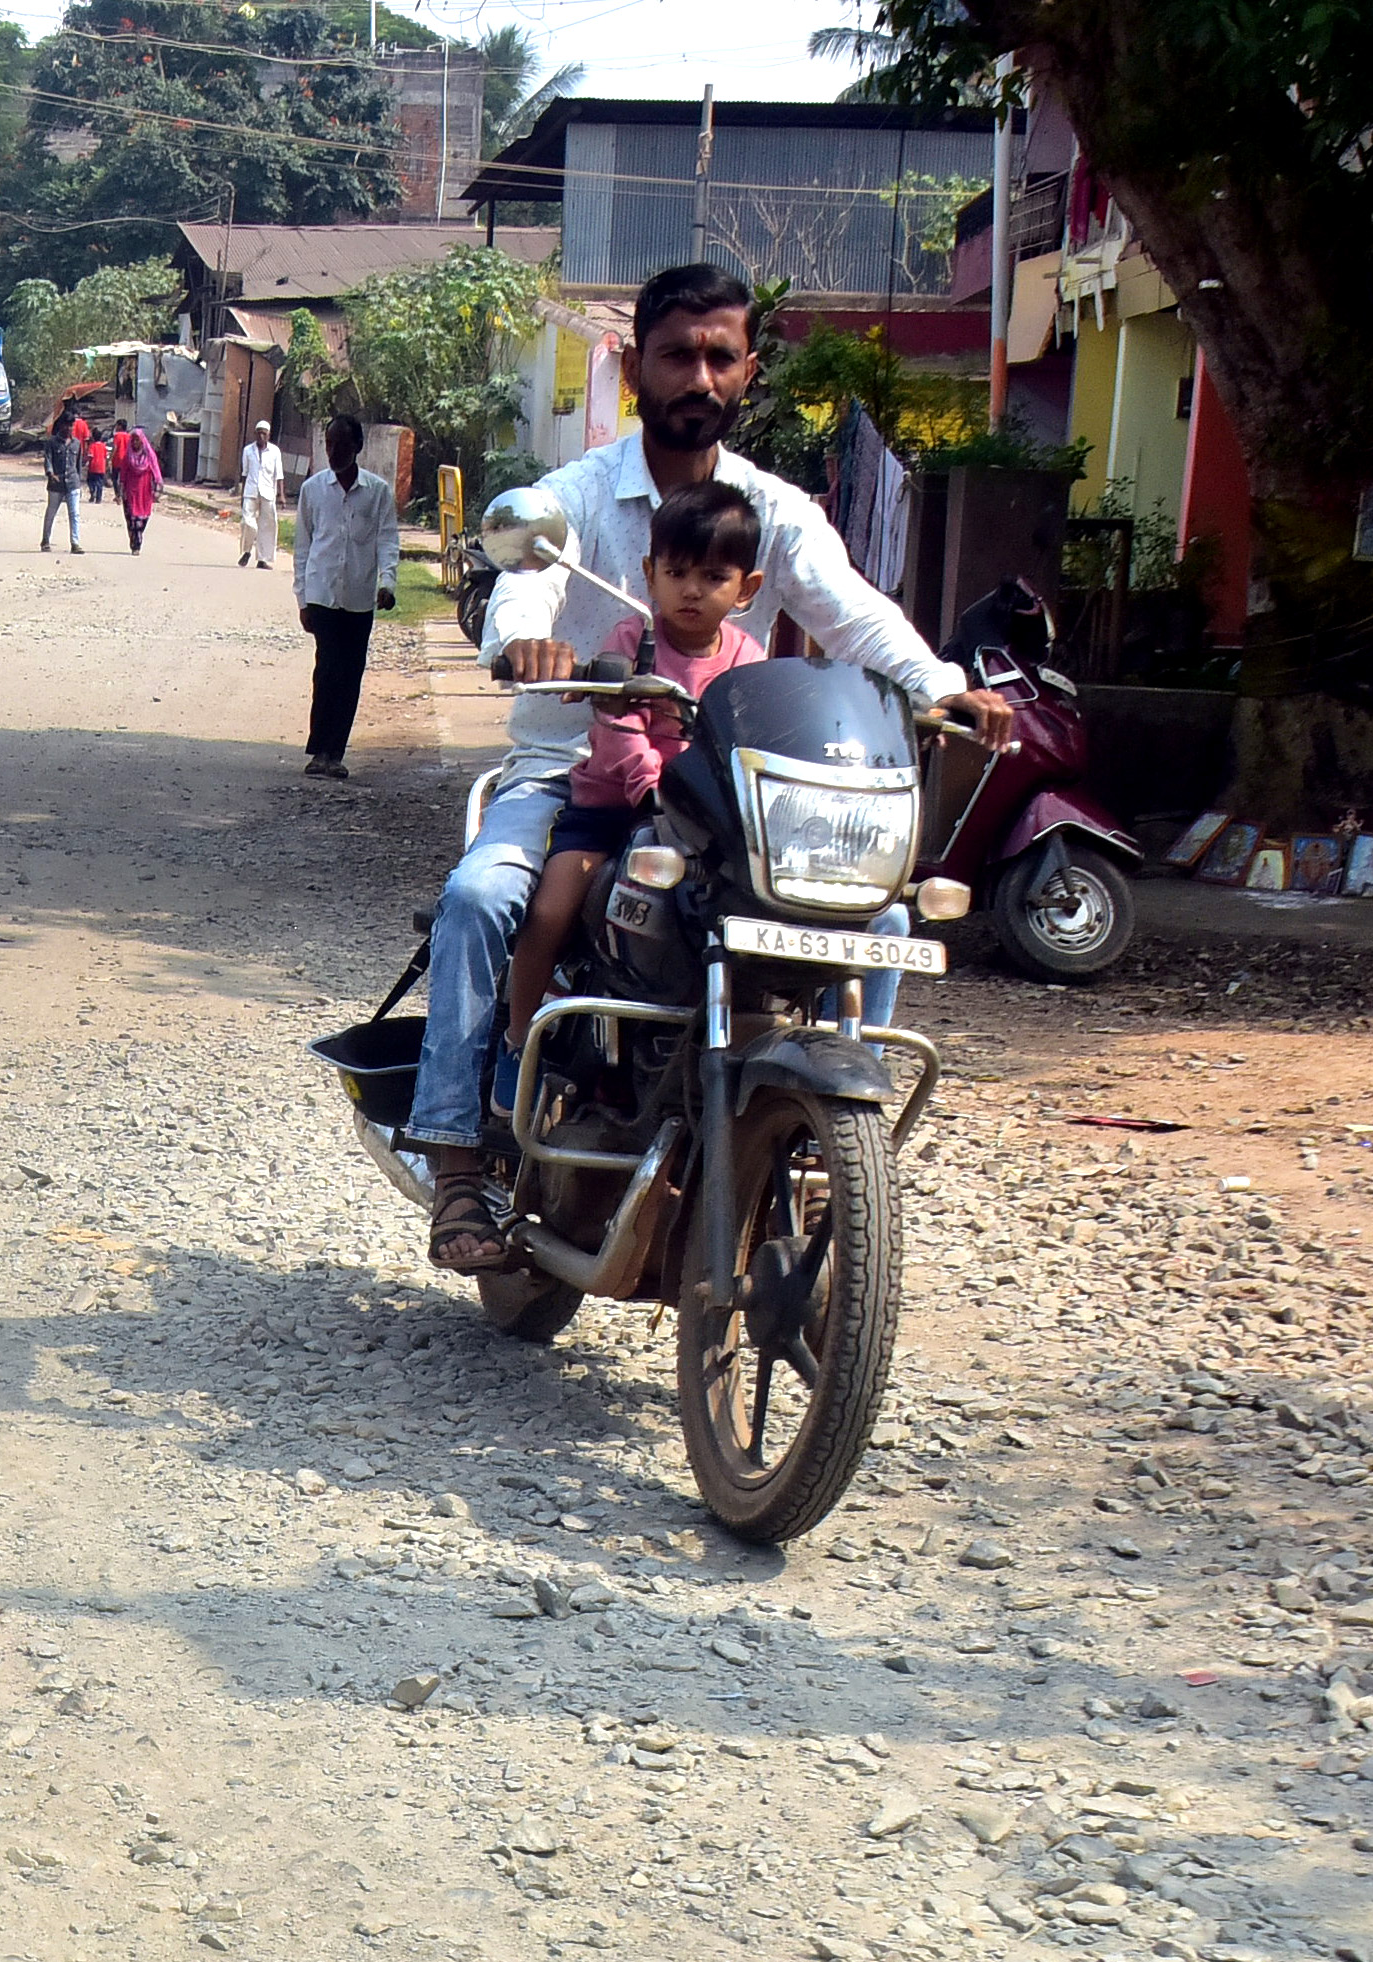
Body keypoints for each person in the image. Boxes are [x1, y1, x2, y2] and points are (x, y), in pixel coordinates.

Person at [404, 265, 1013, 1271]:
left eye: (719, 356)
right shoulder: (580, 495)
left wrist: (942, 687)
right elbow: (525, 581)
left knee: (882, 921)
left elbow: (854, 614)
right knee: (480, 898)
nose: (699, 375)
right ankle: (459, 1158)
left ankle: (828, 1141)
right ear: (633, 366)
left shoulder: (771, 510)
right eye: (677, 354)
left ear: (748, 371)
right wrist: (524, 643)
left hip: (724, 793)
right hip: (572, 772)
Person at [497, 478, 771, 1021]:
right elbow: (621, 725)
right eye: (677, 573)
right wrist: (652, 787)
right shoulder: (631, 640)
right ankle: (518, 1035)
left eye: (713, 577)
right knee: (550, 911)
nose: (692, 590)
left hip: (706, 823)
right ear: (650, 574)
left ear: (747, 588)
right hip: (612, 812)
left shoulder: (749, 657)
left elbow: (755, 735)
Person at [290, 414, 400, 780]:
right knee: (327, 670)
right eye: (329, 444)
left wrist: (387, 583)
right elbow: (303, 547)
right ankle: (319, 749)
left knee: (350, 675)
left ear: (358, 447)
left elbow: (387, 540)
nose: (334, 451)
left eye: (341, 444)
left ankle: (335, 753)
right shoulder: (313, 490)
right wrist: (303, 599)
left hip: (358, 596)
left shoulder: (378, 492)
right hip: (322, 594)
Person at [237, 422, 282, 568]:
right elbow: (244, 473)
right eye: (259, 433)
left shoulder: (275, 451)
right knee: (247, 523)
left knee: (268, 525)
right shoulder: (248, 450)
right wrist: (242, 494)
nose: (261, 436)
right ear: (255, 434)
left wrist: (281, 495)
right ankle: (247, 551)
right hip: (250, 491)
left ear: (269, 435)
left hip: (268, 492)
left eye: (264, 433)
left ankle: (263, 559)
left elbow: (279, 475)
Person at [115, 422, 162, 553]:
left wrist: (157, 490)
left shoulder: (150, 456)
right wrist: (120, 492)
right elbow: (123, 474)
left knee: (143, 518)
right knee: (132, 520)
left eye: (138, 440)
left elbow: (156, 473)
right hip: (131, 491)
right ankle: (136, 544)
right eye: (133, 440)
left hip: (145, 492)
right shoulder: (128, 456)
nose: (135, 443)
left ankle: (137, 536)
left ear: (142, 441)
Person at [40, 420, 87, 553]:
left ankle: (75, 543)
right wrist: (50, 473)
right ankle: (45, 541)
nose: (69, 428)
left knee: (74, 514)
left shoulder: (76, 444)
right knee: (51, 513)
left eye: (71, 425)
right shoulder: (52, 442)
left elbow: (78, 465)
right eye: (67, 425)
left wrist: (79, 483)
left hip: (73, 483)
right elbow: (48, 460)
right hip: (56, 484)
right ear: (61, 426)